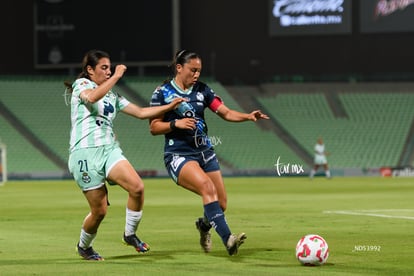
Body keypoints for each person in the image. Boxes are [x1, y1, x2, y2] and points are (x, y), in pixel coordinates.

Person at [65, 49, 184, 261]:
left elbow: (140, 113)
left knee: (137, 188)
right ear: (90, 70)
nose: (109, 72)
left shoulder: (112, 95)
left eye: (110, 69)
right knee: (99, 211)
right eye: (104, 68)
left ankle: (129, 234)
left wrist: (170, 106)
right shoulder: (82, 85)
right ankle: (84, 246)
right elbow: (92, 98)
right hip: (84, 155)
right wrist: (118, 75)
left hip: (109, 149)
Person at [149, 50, 269, 256]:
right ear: (179, 68)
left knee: (220, 204)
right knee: (207, 188)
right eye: (192, 70)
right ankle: (228, 239)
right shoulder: (162, 93)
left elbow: (226, 112)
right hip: (179, 154)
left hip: (205, 152)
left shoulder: (203, 90)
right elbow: (154, 127)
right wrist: (175, 123)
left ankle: (204, 226)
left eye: (199, 71)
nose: (196, 75)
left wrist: (248, 116)